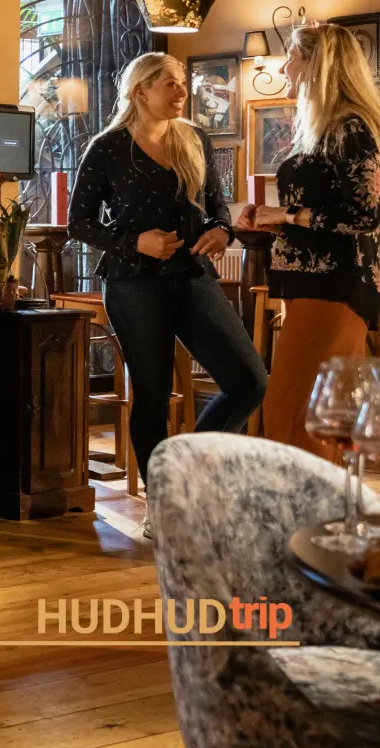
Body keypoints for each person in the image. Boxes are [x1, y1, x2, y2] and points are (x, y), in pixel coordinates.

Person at [69, 52, 267, 491]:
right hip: (133, 284)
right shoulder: (107, 148)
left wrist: (222, 231)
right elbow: (78, 223)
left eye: (182, 83)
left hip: (194, 278)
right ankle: (164, 502)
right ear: (141, 91)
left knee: (249, 382)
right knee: (153, 396)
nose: (182, 92)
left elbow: (217, 207)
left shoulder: (194, 138)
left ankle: (188, 473)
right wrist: (136, 241)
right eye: (171, 84)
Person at [236, 23, 380, 459]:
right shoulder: (327, 127)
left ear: (316, 64)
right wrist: (277, 223)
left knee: (294, 412)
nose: (284, 67)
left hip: (335, 287)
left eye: (291, 57)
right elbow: (326, 214)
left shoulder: (351, 128)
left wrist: (284, 214)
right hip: (313, 287)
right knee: (302, 413)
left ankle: (301, 516)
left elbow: (364, 216)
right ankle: (309, 516)